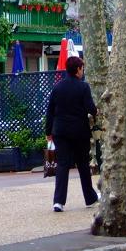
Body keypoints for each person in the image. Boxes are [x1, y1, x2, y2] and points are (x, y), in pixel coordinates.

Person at [45, 56, 98, 212]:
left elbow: (50, 112)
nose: (83, 71)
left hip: (60, 131)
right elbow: (90, 107)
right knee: (82, 164)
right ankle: (90, 198)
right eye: (82, 68)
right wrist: (96, 112)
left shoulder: (57, 88)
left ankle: (58, 201)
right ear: (77, 69)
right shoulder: (83, 87)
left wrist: (48, 132)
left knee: (62, 165)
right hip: (79, 131)